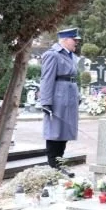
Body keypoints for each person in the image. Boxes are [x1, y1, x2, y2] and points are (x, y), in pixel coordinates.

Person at [40, 28, 82, 177]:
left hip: (69, 98)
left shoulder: (71, 56)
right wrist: (46, 102)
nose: (76, 42)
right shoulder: (53, 55)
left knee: (64, 132)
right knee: (55, 132)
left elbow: (73, 78)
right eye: (73, 39)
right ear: (64, 39)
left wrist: (78, 95)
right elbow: (47, 78)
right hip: (58, 97)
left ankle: (60, 164)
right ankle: (54, 167)